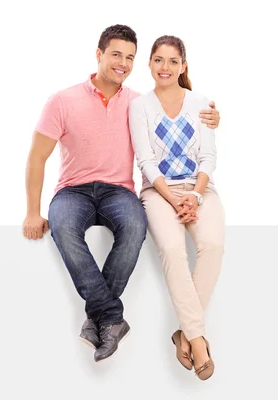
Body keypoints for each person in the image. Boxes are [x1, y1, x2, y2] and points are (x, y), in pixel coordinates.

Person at [22, 25, 221, 363]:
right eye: (116, 54)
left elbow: (178, 109)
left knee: (135, 228)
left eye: (130, 57)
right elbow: (37, 157)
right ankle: (110, 316)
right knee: (64, 228)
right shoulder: (62, 100)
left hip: (119, 191)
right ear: (99, 55)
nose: (123, 63)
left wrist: (212, 117)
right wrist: (32, 211)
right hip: (73, 191)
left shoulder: (138, 103)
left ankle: (98, 319)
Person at [129, 35, 225, 380]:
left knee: (212, 245)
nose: (165, 67)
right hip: (159, 193)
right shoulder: (140, 106)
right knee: (172, 249)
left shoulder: (201, 103)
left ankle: (183, 332)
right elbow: (147, 161)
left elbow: (208, 156)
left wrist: (195, 197)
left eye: (172, 61)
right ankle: (197, 339)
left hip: (200, 189)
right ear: (150, 64)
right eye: (158, 60)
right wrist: (174, 200)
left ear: (183, 66)